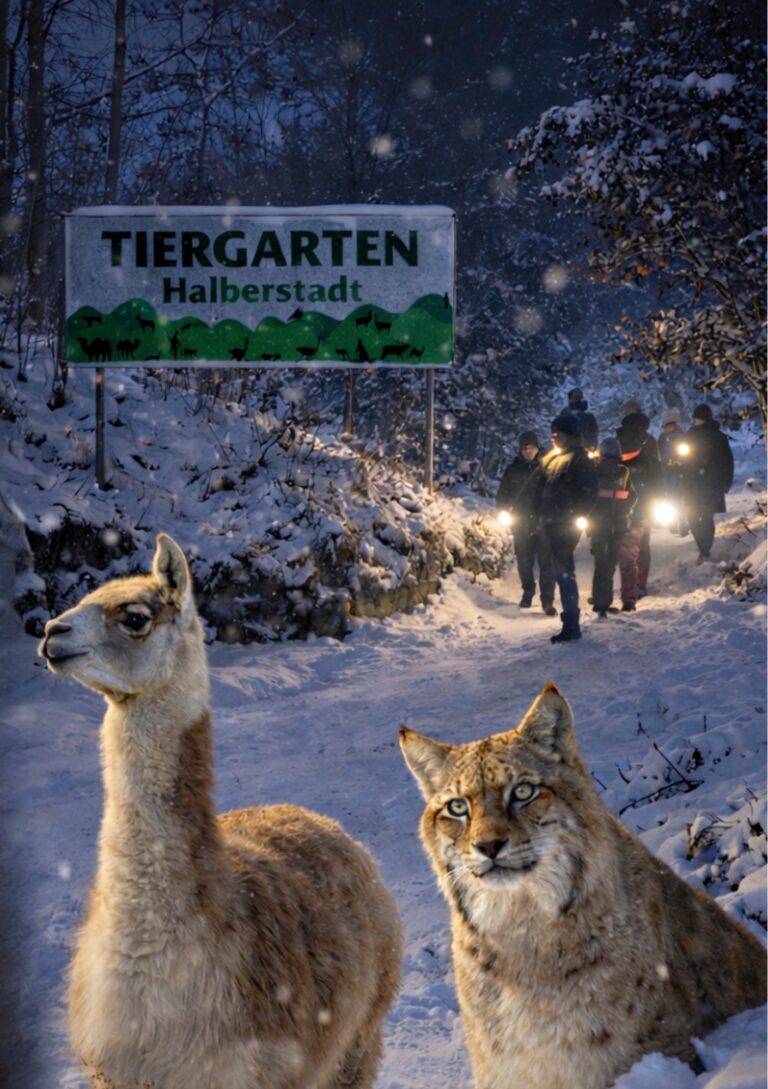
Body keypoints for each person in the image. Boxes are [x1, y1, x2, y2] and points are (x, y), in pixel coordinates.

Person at [531, 414, 598, 643]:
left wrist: (576, 516)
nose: (554, 439)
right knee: (559, 573)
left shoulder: (579, 459)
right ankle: (569, 622)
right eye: (552, 435)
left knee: (565, 573)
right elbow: (539, 488)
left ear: (569, 435)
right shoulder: (553, 459)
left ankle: (571, 623)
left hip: (565, 525)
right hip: (549, 523)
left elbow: (589, 493)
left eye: (557, 435)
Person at [496, 432, 557, 615]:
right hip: (521, 521)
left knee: (546, 562)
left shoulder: (549, 468)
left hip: (544, 523)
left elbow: (556, 493)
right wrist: (504, 510)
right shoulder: (512, 470)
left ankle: (547, 600)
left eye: (531, 447)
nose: (528, 451)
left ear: (538, 448)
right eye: (525, 448)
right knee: (524, 561)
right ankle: (528, 592)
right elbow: (503, 494)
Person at [616, 411, 663, 607]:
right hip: (643, 506)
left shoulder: (616, 454)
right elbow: (657, 482)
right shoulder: (648, 447)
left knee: (624, 548)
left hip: (621, 508)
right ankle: (638, 583)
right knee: (642, 546)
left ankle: (629, 585)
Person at [588, 437, 637, 617]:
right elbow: (633, 496)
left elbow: (588, 497)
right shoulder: (623, 472)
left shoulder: (595, 472)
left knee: (603, 563)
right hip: (617, 523)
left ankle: (601, 602)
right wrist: (625, 510)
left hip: (602, 524)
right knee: (608, 563)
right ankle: (603, 602)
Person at [683, 404, 734, 562]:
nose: (694, 420)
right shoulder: (692, 435)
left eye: (696, 418)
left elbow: (726, 460)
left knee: (702, 517)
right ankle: (703, 547)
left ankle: (704, 549)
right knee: (697, 516)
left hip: (706, 482)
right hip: (699, 483)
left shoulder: (716, 436)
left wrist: (725, 480)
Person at [657, 408, 689, 535]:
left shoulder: (682, 436)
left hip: (679, 472)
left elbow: (687, 453)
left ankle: (683, 524)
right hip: (667, 472)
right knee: (671, 499)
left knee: (682, 500)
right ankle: (673, 524)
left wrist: (679, 461)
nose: (665, 428)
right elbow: (658, 452)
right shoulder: (663, 437)